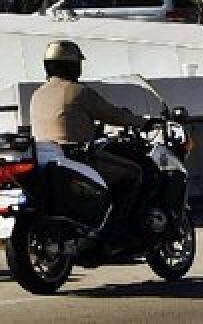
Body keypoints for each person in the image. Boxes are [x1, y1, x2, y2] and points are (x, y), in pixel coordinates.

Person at [29, 40, 147, 226]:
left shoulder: (38, 94)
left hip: (45, 157)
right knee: (134, 172)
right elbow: (114, 115)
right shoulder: (78, 92)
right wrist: (142, 122)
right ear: (72, 65)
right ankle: (118, 227)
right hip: (77, 156)